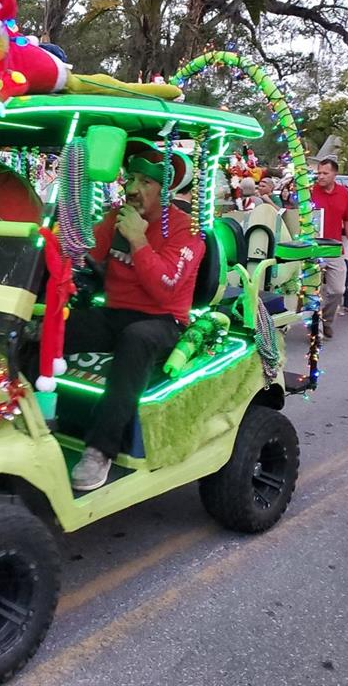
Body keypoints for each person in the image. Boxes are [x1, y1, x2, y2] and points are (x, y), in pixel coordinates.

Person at [54, 141, 204, 490]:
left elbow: (165, 288)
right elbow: (86, 252)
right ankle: (25, 418)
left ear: (164, 189)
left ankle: (99, 449)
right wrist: (63, 234)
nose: (133, 189)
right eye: (130, 178)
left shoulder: (186, 230)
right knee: (49, 328)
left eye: (145, 182)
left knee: (135, 340)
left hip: (164, 320)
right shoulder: (117, 216)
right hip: (116, 312)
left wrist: (138, 240)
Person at [310, 158, 348, 338]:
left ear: (334, 174)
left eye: (325, 173)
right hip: (313, 247)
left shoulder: (344, 193)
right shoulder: (310, 191)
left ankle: (327, 320)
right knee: (313, 290)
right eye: (319, 173)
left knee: (337, 290)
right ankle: (316, 329)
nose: (320, 176)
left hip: (334, 247)